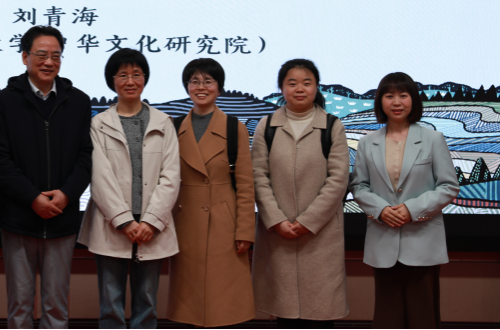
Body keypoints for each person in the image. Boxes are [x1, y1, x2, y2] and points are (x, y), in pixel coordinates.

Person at [0, 25, 93, 329]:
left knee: (57, 306)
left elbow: (86, 156)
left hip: (62, 217)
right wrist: (32, 197)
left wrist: (67, 194)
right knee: (19, 305)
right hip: (19, 219)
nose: (49, 62)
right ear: (25, 57)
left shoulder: (78, 101)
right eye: (42, 54)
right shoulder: (5, 100)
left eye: (56, 56)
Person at [78, 49, 180, 329]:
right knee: (110, 303)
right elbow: (100, 177)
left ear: (145, 78)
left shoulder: (163, 122)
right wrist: (123, 220)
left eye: (137, 74)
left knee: (147, 302)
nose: (130, 81)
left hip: (151, 227)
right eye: (123, 75)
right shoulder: (98, 124)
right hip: (112, 225)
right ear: (112, 80)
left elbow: (171, 175)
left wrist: (151, 221)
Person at [350, 72, 459, 328]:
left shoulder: (433, 139)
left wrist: (411, 209)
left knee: (423, 317)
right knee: (387, 317)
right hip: (383, 240)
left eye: (403, 95)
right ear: (380, 101)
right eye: (389, 96)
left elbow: (448, 186)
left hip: (423, 241)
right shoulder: (367, 143)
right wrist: (381, 209)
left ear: (413, 100)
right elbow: (359, 186)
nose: (396, 102)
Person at [251, 59, 349, 328]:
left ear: (316, 87)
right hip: (278, 234)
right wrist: (276, 219)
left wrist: (308, 221)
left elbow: (338, 180)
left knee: (321, 312)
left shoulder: (332, 126)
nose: (299, 88)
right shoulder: (267, 126)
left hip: (320, 236)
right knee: (284, 313)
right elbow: (258, 176)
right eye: (292, 83)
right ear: (281, 88)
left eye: (307, 83)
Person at [167, 58, 256, 327]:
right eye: (194, 81)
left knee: (224, 305)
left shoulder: (233, 127)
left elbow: (245, 184)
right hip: (185, 223)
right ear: (186, 87)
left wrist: (245, 230)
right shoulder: (173, 127)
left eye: (208, 81)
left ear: (219, 87)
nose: (201, 87)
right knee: (188, 306)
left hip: (224, 225)